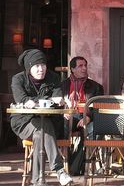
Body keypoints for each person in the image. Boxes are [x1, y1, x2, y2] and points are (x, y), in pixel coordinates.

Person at [10, 49, 72, 186]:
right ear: (29, 67)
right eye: (36, 66)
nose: (41, 69)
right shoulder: (18, 79)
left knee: (40, 133)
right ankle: (60, 170)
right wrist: (42, 100)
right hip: (23, 122)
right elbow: (22, 99)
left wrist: (61, 101)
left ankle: (38, 181)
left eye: (43, 65)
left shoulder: (54, 78)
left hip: (48, 122)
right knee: (42, 128)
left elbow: (57, 96)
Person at [61, 56, 104, 175]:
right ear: (72, 69)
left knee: (94, 131)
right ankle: (65, 162)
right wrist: (64, 111)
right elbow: (56, 103)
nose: (84, 68)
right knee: (62, 126)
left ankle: (75, 166)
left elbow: (99, 108)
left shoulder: (96, 87)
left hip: (87, 117)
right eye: (80, 66)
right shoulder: (62, 86)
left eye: (85, 65)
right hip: (69, 117)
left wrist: (88, 117)